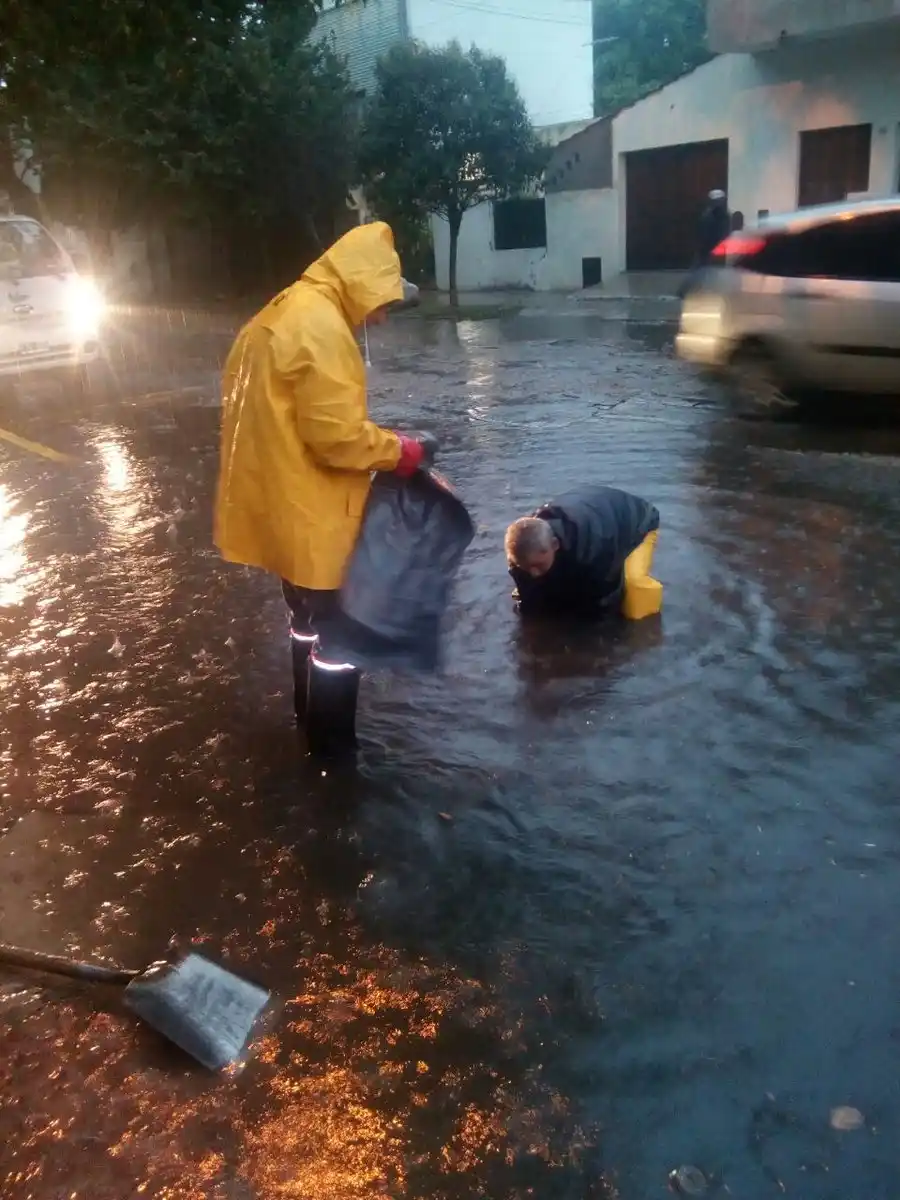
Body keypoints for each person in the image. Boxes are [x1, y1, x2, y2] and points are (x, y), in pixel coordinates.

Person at [214, 221, 430, 754]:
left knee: (306, 625)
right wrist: (399, 450)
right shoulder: (323, 329)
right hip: (317, 519)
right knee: (340, 643)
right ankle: (333, 757)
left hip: (282, 515)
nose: (380, 317)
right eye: (382, 303)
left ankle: (305, 723)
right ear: (363, 284)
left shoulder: (276, 313)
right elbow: (337, 439)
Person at [505, 485, 662, 621]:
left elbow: (604, 602)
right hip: (593, 511)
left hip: (637, 523)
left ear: (555, 544)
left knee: (634, 597)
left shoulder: (595, 548)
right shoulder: (520, 549)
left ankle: (644, 635)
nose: (533, 573)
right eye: (526, 567)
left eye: (538, 565)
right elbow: (529, 602)